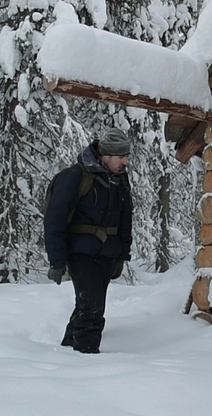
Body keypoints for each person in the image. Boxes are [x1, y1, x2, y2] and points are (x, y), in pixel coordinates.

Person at [43, 128, 134, 354]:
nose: (125, 162)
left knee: (86, 307)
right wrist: (57, 261)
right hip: (80, 254)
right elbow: (55, 219)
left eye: (126, 156)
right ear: (106, 155)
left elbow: (125, 219)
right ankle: (86, 362)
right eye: (121, 157)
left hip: (107, 255)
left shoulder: (119, 180)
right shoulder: (75, 176)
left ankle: (67, 352)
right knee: (92, 310)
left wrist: (122, 255)